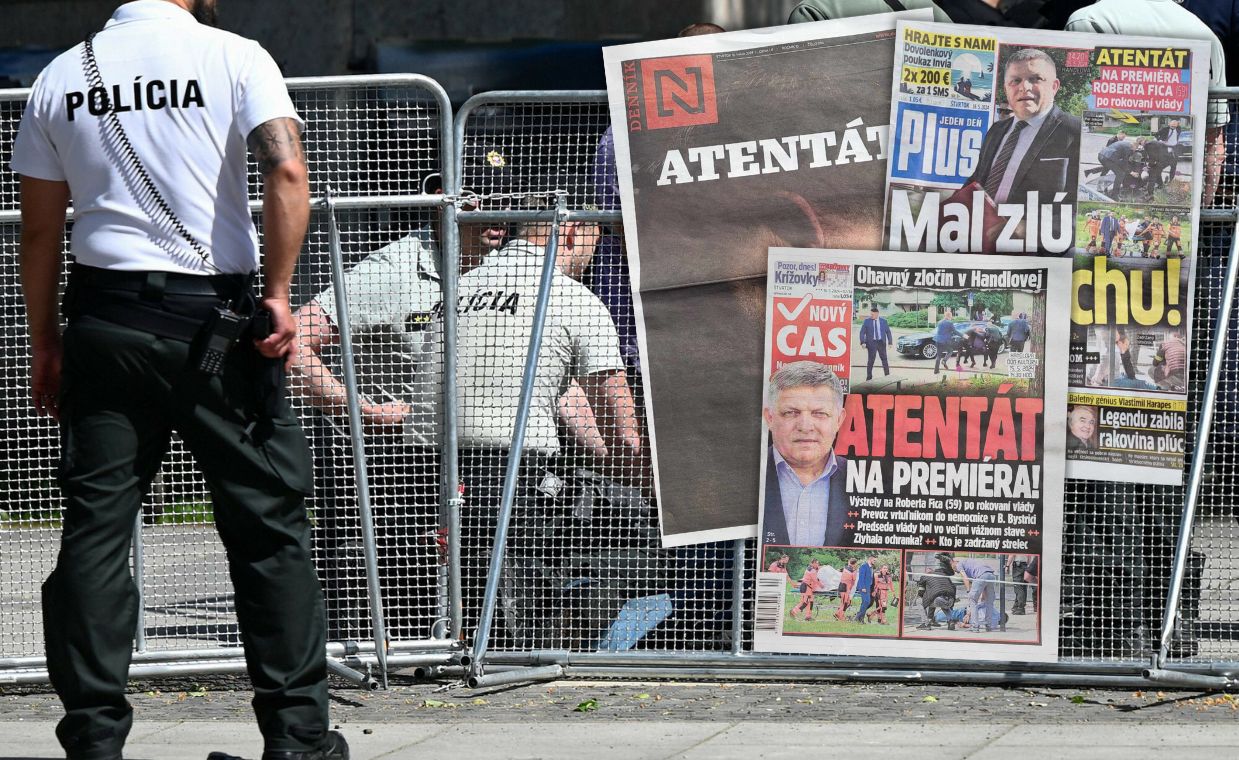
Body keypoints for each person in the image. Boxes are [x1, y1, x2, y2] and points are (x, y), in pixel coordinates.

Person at [10, 2, 347, 759]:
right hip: (213, 326)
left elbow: (38, 228)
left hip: (103, 320)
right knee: (268, 531)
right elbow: (285, 168)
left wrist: (45, 341)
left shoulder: (60, 76)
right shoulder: (235, 55)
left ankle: (94, 742)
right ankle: (296, 740)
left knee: (95, 537)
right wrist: (280, 294)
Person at [419, 199, 642, 647]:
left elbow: (567, 406)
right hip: (512, 473)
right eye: (597, 243)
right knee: (634, 532)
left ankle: (483, 638)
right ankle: (543, 646)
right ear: (574, 231)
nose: (594, 260)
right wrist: (660, 490)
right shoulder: (571, 297)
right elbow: (622, 434)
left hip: (423, 469)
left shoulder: (457, 290)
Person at [1066, 0, 1229, 204]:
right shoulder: (1206, 35)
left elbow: (1070, 132)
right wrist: (1202, 218)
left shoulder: (1090, 20)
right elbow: (1215, 145)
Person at [964, 48, 1081, 213]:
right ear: (1006, 89)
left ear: (1054, 87)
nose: (1024, 87)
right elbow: (976, 181)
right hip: (978, 230)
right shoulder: (996, 130)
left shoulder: (1074, 131)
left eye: (1035, 79)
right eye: (1015, 80)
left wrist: (1023, 228)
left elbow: (1076, 208)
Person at [760, 361, 849, 547]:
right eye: (791, 413)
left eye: (819, 413)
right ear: (770, 418)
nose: (805, 427)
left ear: (839, 420)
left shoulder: (864, 480)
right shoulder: (742, 476)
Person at [953, 557, 1000, 633]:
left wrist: (969, 591)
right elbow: (983, 590)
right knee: (989, 602)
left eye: (955, 570)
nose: (957, 572)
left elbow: (965, 578)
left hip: (981, 575)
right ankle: (988, 625)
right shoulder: (970, 561)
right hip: (990, 575)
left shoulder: (959, 564)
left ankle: (975, 626)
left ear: (954, 562)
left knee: (972, 600)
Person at [859, 305, 893, 381]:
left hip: (881, 343)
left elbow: (888, 332)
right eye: (870, 314)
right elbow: (862, 332)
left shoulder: (883, 321)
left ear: (877, 314)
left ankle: (887, 376)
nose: (871, 315)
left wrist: (890, 342)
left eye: (872, 314)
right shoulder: (867, 321)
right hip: (871, 343)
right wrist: (863, 342)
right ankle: (869, 377)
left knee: (884, 359)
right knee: (871, 360)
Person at [932, 308, 957, 375]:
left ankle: (936, 371)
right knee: (950, 351)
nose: (951, 317)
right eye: (951, 315)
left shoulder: (940, 322)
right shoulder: (949, 322)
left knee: (938, 356)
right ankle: (944, 360)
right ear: (949, 316)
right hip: (945, 341)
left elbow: (943, 331)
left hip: (938, 340)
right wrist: (964, 335)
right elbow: (955, 331)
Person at [853, 555, 877, 623]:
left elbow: (872, 579)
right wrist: (863, 587)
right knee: (866, 602)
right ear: (870, 559)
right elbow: (861, 578)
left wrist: (872, 590)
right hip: (863, 587)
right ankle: (859, 618)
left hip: (869, 588)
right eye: (874, 560)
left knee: (866, 602)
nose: (875, 562)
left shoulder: (871, 568)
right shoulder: (864, 566)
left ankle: (859, 618)